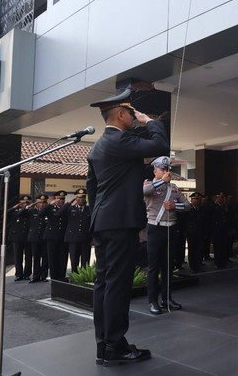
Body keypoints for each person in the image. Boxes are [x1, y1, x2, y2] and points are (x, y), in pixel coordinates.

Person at [87, 88, 168, 366]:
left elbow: (92, 189)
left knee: (104, 284)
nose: (135, 117)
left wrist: (96, 220)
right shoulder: (120, 139)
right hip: (120, 223)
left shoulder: (99, 145)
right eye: (131, 113)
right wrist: (151, 122)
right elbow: (159, 147)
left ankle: (104, 344)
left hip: (103, 222)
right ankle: (116, 347)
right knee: (117, 285)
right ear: (120, 114)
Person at [143, 156, 190, 315]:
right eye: (162, 169)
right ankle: (152, 301)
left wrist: (174, 206)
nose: (166, 172)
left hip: (170, 230)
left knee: (168, 267)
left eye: (167, 169)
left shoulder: (174, 188)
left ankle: (167, 298)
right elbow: (145, 192)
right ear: (155, 170)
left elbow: (188, 206)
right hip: (155, 229)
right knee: (154, 267)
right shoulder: (149, 184)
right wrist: (162, 181)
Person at [59, 188, 92, 273]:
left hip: (85, 239)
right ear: (76, 198)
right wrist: (68, 203)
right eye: (79, 197)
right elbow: (59, 213)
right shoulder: (70, 209)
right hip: (73, 239)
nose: (81, 199)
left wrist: (92, 238)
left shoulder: (89, 209)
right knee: (74, 261)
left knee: (85, 261)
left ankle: (84, 279)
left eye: (83, 197)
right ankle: (74, 278)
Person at [40, 190, 69, 280]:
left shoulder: (67, 208)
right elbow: (40, 214)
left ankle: (62, 277)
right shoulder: (50, 208)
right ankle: (54, 278)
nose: (61, 201)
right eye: (59, 199)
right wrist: (49, 204)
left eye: (63, 199)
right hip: (51, 237)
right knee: (52, 259)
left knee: (63, 259)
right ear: (55, 199)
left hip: (63, 237)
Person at [24, 194, 49, 283]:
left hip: (45, 238)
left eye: (44, 202)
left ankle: (43, 276)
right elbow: (21, 213)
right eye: (40, 202)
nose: (42, 204)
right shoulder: (32, 211)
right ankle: (35, 276)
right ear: (36, 203)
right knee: (36, 258)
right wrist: (29, 206)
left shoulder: (48, 211)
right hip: (34, 238)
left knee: (45, 259)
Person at [8, 195, 32, 281]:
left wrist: (28, 208)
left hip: (27, 237)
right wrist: (15, 207)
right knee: (18, 256)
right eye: (23, 203)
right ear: (20, 203)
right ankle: (19, 274)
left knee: (28, 256)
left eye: (27, 203)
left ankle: (27, 274)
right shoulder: (16, 211)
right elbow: (7, 214)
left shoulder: (30, 211)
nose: (25, 204)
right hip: (17, 237)